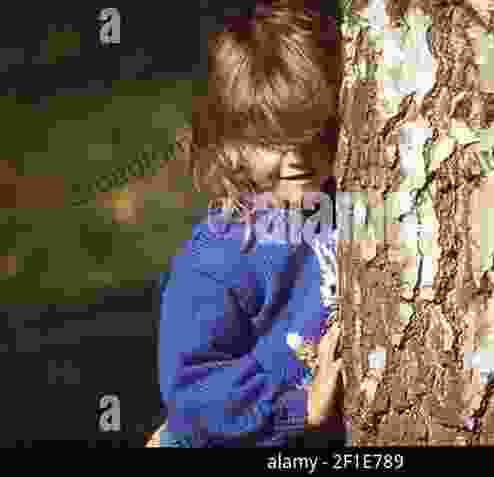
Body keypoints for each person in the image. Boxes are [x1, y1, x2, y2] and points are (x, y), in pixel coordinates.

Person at [154, 1, 347, 447]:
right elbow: (193, 397)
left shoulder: (348, 201)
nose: (297, 159)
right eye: (271, 139)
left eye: (314, 134)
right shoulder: (217, 261)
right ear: (228, 142)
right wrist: (296, 409)